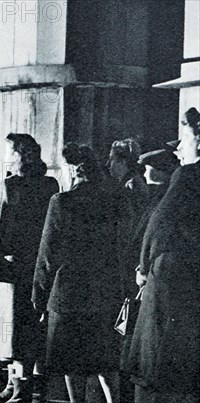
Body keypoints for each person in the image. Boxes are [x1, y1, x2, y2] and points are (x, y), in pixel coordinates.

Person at [34, 144, 128, 403]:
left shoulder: (62, 202)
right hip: (104, 294)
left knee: (72, 365)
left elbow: (47, 255)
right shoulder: (114, 201)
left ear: (74, 169)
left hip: (69, 296)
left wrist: (39, 295)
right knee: (106, 364)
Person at [127, 107, 200, 403]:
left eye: (185, 138)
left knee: (157, 369)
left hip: (174, 282)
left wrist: (143, 269)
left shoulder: (188, 176)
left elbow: (160, 226)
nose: (180, 148)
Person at [0, 133, 59, 403]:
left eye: (9, 151)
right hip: (37, 263)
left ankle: (17, 388)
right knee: (30, 324)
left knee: (10, 327)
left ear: (18, 155)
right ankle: (19, 385)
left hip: (11, 265)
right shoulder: (51, 183)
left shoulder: (8, 185)